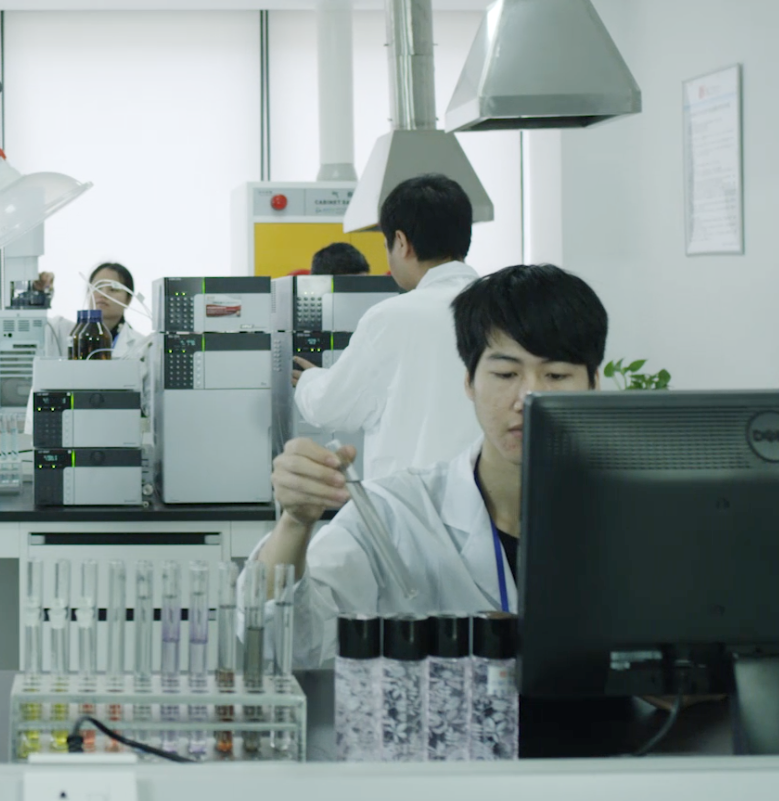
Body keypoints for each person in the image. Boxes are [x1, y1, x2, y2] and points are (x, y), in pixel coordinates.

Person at [253, 264, 609, 669]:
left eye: (556, 374)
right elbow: (288, 646)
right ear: (470, 382)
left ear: (593, 384)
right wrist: (295, 524)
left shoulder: (632, 516)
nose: (527, 397)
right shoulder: (394, 512)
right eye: (506, 373)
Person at [288, 174, 482, 481]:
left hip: (411, 499)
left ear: (401, 243)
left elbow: (330, 407)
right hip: (493, 500)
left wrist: (312, 379)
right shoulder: (507, 307)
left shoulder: (391, 316)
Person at [35, 261, 148, 360]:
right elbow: (34, 327)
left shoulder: (141, 346)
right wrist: (38, 295)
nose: (103, 294)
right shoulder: (62, 331)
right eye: (97, 287)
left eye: (113, 289)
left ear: (128, 299)